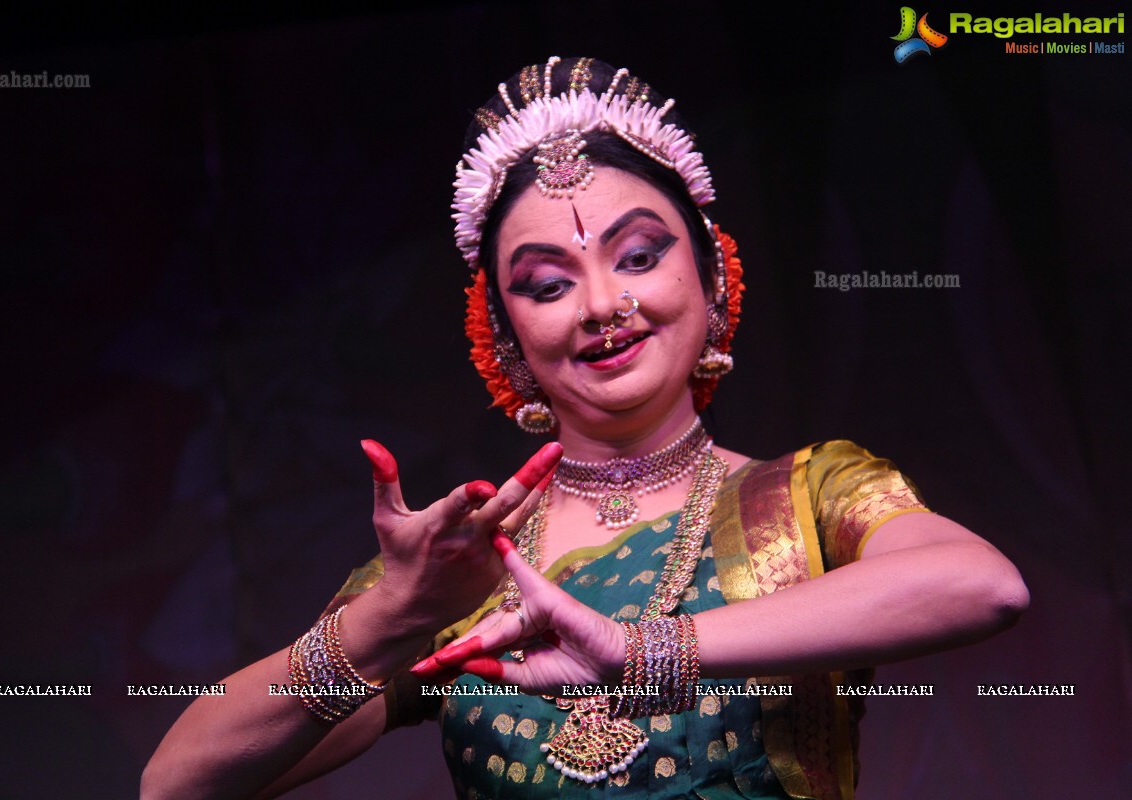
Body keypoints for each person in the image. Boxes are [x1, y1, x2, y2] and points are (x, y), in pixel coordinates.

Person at [142, 56, 1028, 800]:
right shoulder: (464, 567)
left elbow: (982, 586)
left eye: (639, 256)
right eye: (548, 282)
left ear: (714, 275)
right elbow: (178, 784)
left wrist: (645, 653)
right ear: (504, 331)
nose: (604, 304)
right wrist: (386, 622)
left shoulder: (804, 495)